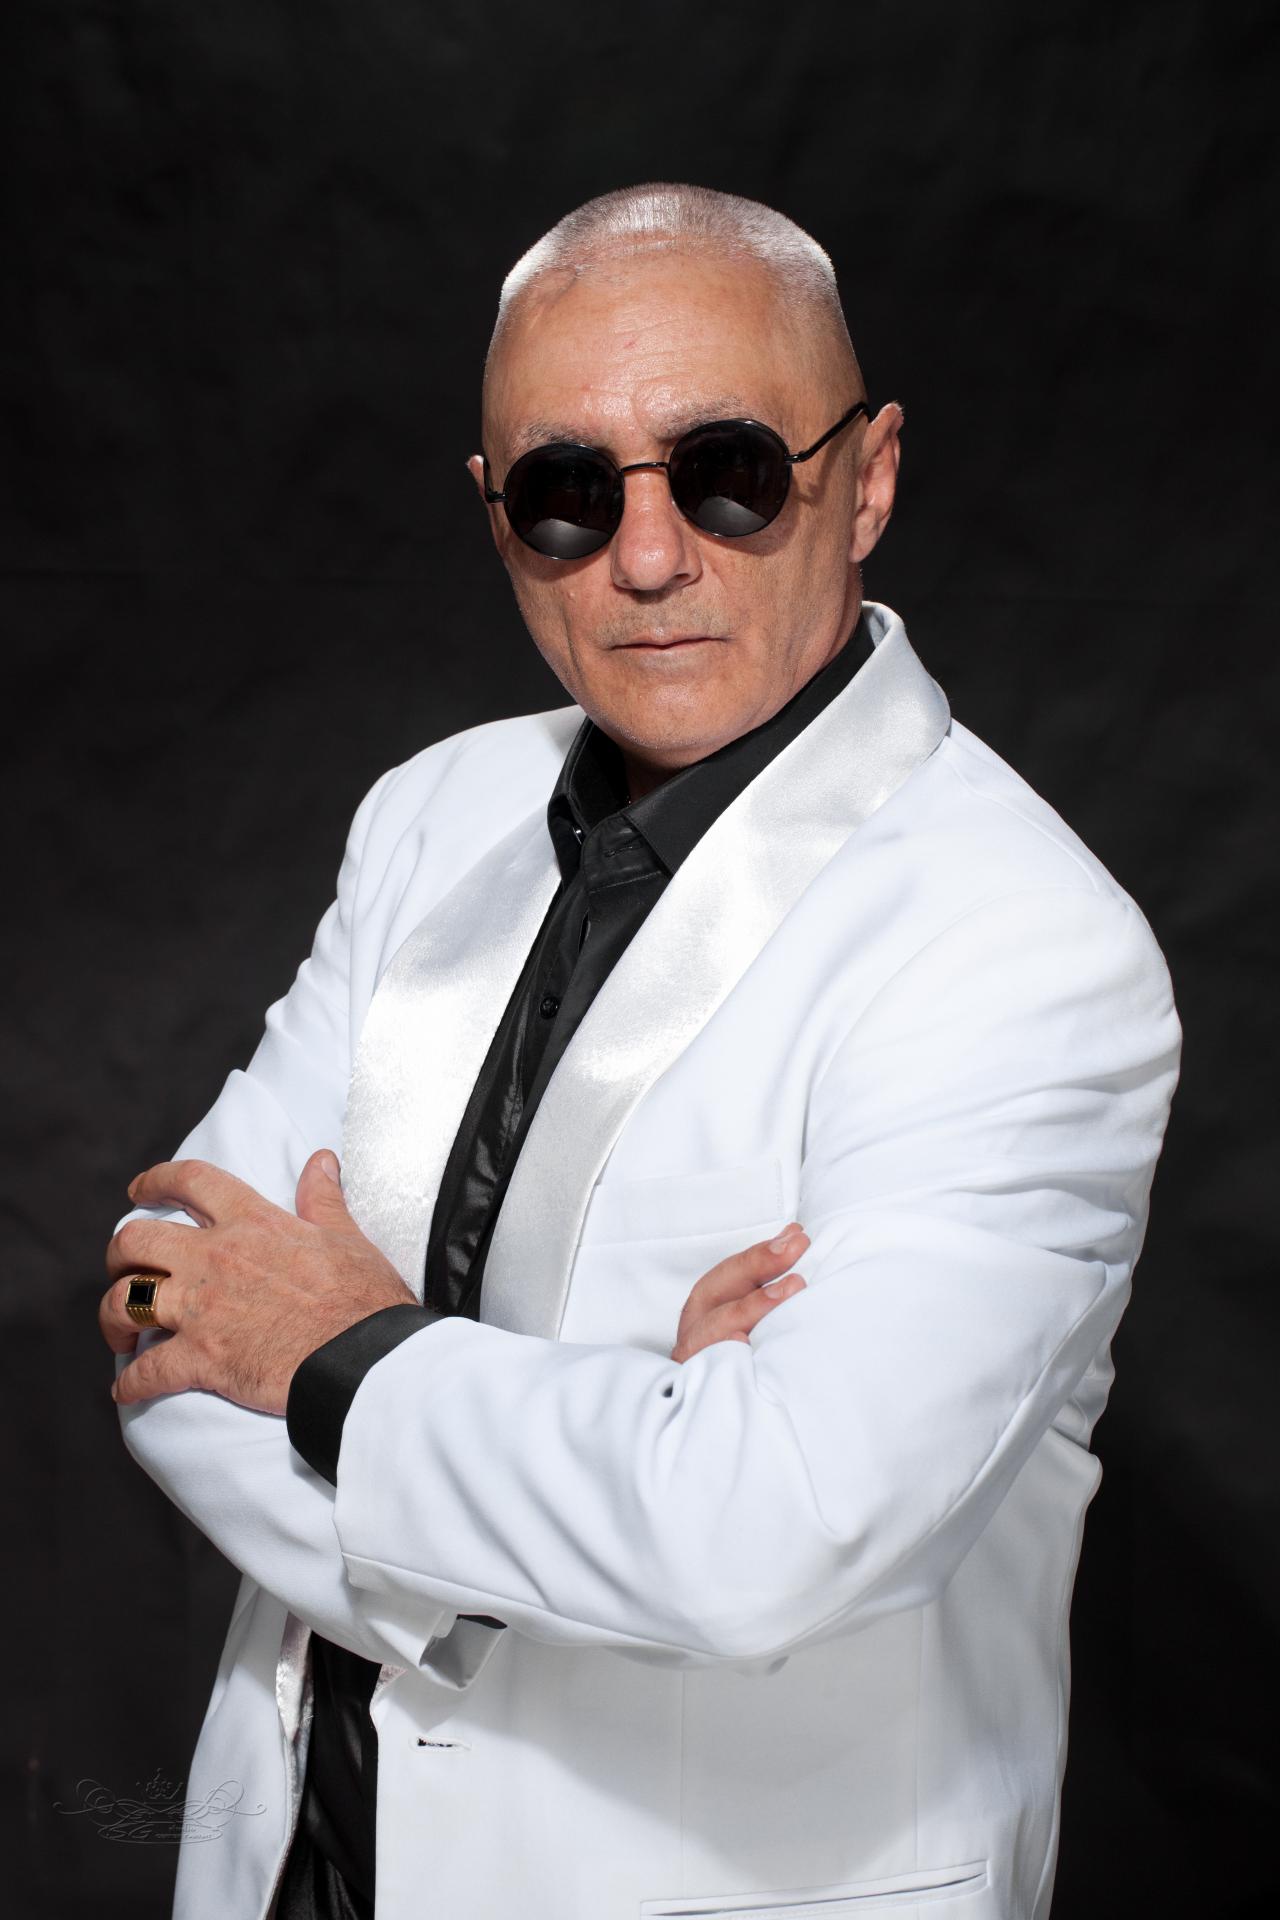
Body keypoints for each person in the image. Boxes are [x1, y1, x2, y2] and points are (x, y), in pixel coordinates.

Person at [99, 183, 1181, 1920]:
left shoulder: (1022, 944)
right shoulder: (429, 812)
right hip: (298, 1863)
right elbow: (169, 1303)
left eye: (730, 470)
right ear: (495, 513)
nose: (651, 557)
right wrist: (631, 1432)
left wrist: (330, 1356)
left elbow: (771, 1536)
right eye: (568, 491)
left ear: (867, 477)